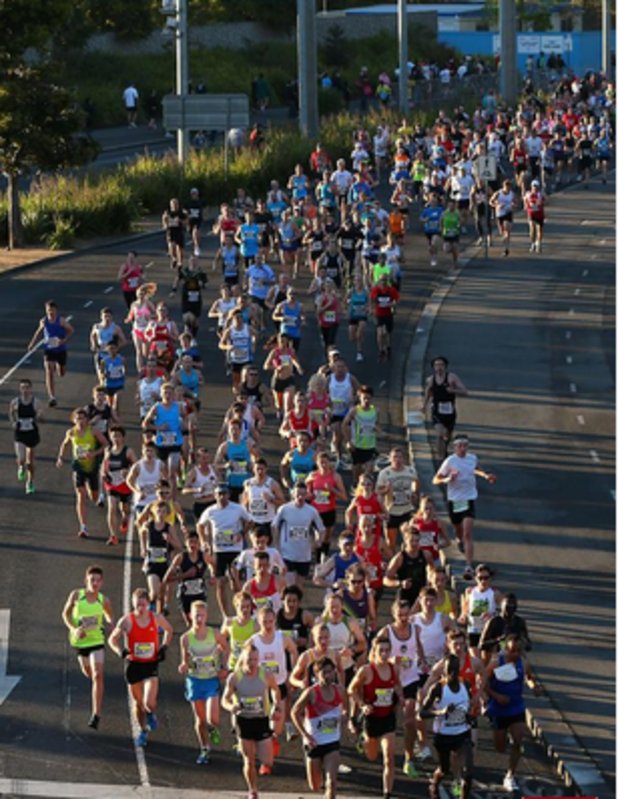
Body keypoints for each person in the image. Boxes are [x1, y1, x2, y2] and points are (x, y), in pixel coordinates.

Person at [108, 587, 174, 748]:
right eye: (137, 605)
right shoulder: (127, 621)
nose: (140, 608)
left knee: (149, 702)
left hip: (151, 664)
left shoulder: (156, 618)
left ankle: (151, 713)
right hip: (134, 666)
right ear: (133, 604)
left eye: (143, 605)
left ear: (148, 605)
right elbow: (112, 639)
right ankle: (143, 731)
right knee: (138, 704)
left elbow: (169, 630)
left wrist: (164, 647)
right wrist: (121, 651)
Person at [432, 434, 497, 579]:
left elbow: (476, 468)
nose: (462, 449)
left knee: (468, 533)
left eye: (465, 445)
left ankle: (468, 566)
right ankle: (459, 538)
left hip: (468, 499)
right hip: (454, 500)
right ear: (454, 447)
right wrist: (449, 479)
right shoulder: (450, 461)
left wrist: (486, 476)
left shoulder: (472, 458)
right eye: (459, 446)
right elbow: (435, 479)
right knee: (459, 529)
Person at [221, 643, 282, 797]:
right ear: (243, 659)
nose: (252, 664)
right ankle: (252, 790)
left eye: (255, 660)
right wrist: (232, 707)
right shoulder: (235, 678)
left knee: (268, 761)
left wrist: (276, 705)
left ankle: (271, 740)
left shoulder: (265, 675)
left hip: (261, 720)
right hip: (244, 721)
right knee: (248, 760)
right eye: (249, 660)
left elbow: (275, 690)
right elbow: (225, 700)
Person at [348, 636, 403, 799]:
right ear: (375, 651)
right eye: (381, 651)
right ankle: (362, 739)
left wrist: (400, 696)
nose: (385, 654)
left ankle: (387, 793)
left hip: (387, 719)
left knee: (389, 758)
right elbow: (351, 689)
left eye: (387, 650)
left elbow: (397, 684)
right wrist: (362, 705)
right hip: (371, 719)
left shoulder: (394, 669)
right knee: (372, 756)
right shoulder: (366, 670)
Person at [485, 635, 541, 792]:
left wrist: (534, 686)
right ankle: (506, 740)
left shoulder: (523, 663)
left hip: (516, 707)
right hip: (498, 709)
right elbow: (482, 682)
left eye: (517, 651)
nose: (514, 654)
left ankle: (510, 775)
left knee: (518, 741)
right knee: (500, 748)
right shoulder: (497, 662)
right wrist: (496, 696)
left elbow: (529, 678)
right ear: (506, 649)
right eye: (511, 651)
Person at [62, 565, 114, 729]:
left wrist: (111, 623)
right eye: (92, 580)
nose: (95, 583)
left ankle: (96, 714)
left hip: (96, 640)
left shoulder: (104, 600)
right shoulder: (77, 595)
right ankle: (97, 687)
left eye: (98, 580)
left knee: (98, 675)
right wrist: (74, 629)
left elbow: (109, 615)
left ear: (102, 582)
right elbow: (65, 614)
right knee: (89, 673)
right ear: (86, 581)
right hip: (80, 641)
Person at [378, 598, 427, 774]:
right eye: (400, 615)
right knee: (385, 719)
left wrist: (422, 660)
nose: (404, 618)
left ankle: (408, 758)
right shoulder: (386, 632)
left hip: (410, 679)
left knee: (409, 720)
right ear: (393, 615)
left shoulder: (415, 629)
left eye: (406, 615)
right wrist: (390, 660)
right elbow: (372, 657)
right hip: (390, 680)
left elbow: (418, 647)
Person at [178, 600, 229, 764]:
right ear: (190, 617)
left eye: (202, 615)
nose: (199, 619)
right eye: (196, 616)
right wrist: (184, 666)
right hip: (194, 681)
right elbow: (185, 659)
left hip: (211, 680)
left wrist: (224, 666)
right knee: (200, 720)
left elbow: (226, 647)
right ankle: (204, 748)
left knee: (212, 719)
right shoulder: (185, 638)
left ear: (207, 616)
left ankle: (213, 728)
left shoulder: (214, 634)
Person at [291, 656, 347, 799]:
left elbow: (347, 708)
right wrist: (305, 735)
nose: (328, 676)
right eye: (324, 673)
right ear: (317, 675)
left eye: (330, 672)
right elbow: (294, 712)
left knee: (331, 783)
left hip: (332, 742)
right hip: (314, 743)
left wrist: (344, 720)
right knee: (315, 786)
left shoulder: (340, 691)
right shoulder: (311, 693)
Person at [419, 654, 474, 799]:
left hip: (462, 734)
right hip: (443, 736)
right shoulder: (437, 688)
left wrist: (469, 717)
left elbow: (467, 707)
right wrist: (440, 712)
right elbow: (422, 713)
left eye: (456, 669)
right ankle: (434, 785)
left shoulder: (466, 685)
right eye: (450, 670)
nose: (453, 673)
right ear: (444, 671)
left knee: (468, 773)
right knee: (445, 769)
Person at [250, 606, 298, 761]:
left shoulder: (281, 637)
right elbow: (243, 661)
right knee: (263, 724)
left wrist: (292, 672)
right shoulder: (254, 641)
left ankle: (271, 745)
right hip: (261, 688)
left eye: (270, 621)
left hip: (279, 684)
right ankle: (265, 758)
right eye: (264, 621)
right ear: (259, 621)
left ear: (275, 621)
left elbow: (293, 650)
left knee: (277, 728)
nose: (268, 625)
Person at [197, 484, 251, 616]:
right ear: (215, 496)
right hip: (219, 550)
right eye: (219, 494)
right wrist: (204, 541)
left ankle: (242, 610)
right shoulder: (210, 511)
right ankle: (225, 615)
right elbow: (200, 525)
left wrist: (242, 534)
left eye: (224, 493)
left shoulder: (237, 508)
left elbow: (250, 521)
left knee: (235, 581)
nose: (221, 497)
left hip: (235, 549)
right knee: (220, 583)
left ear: (229, 494)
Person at [56, 407, 108, 538]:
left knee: (93, 496)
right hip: (78, 466)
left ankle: (99, 495)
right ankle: (83, 527)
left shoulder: (93, 431)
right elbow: (65, 444)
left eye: (83, 418)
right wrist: (60, 457)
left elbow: (106, 444)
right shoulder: (71, 433)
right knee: (81, 495)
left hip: (92, 466)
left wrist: (94, 453)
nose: (80, 421)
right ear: (73, 420)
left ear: (87, 419)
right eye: (77, 418)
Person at [272, 482, 325, 588]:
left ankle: (297, 604)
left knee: (299, 585)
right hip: (287, 553)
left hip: (304, 555)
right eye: (298, 494)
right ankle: (286, 604)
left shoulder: (311, 511)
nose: (300, 497)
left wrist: (317, 542)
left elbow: (322, 529)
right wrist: (276, 545)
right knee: (289, 584)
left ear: (306, 495)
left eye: (303, 494)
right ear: (293, 494)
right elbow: (274, 526)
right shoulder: (284, 509)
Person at [27, 300, 74, 406]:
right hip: (49, 349)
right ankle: (52, 397)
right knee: (49, 371)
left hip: (60, 349)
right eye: (48, 310)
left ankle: (60, 367)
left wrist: (64, 340)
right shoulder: (44, 321)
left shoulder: (61, 321)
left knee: (61, 373)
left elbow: (71, 330)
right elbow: (38, 332)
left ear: (56, 310)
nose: (50, 312)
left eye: (52, 310)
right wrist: (32, 343)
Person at [422, 355, 468, 460]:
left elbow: (465, 391)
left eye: (441, 365)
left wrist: (453, 390)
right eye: (436, 365)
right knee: (439, 434)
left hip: (450, 412)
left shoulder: (452, 378)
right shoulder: (430, 380)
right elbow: (428, 393)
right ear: (433, 367)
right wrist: (424, 405)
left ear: (445, 366)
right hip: (437, 411)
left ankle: (445, 450)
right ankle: (441, 459)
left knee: (447, 436)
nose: (439, 367)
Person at [376, 446, 420, 552]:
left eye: (400, 457)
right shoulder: (384, 473)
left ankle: (405, 561)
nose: (398, 460)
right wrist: (386, 490)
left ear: (404, 459)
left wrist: (414, 492)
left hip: (407, 510)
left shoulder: (410, 470)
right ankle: (393, 562)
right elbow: (377, 491)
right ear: (390, 459)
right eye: (395, 457)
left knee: (409, 540)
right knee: (391, 543)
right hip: (391, 511)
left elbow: (416, 482)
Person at [163, 531, 212, 625]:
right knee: (189, 623)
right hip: (185, 596)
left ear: (199, 544)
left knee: (200, 622)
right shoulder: (180, 558)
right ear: (186, 543)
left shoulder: (204, 556)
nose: (193, 545)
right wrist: (184, 575)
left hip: (200, 594)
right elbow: (166, 579)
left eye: (195, 542)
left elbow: (214, 565)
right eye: (190, 542)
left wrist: (213, 576)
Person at [101, 425, 136, 545]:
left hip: (124, 484)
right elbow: (104, 464)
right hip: (111, 483)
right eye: (113, 436)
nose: (116, 438)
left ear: (123, 438)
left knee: (124, 508)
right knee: (112, 507)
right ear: (110, 437)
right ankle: (113, 535)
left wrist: (128, 471)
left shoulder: (128, 451)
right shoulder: (108, 450)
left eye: (118, 436)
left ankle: (125, 518)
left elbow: (137, 467)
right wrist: (103, 474)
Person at [9, 378, 43, 495]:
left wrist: (38, 417)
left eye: (27, 387)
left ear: (31, 389)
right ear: (20, 389)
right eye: (23, 387)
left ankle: (30, 482)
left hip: (32, 433)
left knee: (31, 462)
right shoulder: (15, 402)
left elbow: (40, 414)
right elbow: (11, 413)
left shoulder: (36, 402)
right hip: (20, 433)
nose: (25, 390)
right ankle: (21, 467)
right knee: (22, 458)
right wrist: (13, 422)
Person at [479, 593, 531, 664]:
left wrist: (520, 642)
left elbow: (528, 645)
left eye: (513, 605)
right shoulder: (494, 621)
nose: (510, 608)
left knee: (525, 665)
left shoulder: (519, 622)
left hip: (514, 658)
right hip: (496, 657)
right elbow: (481, 645)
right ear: (502, 605)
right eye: (508, 605)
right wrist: (497, 640)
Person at [370, 274, 399, 362]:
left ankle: (388, 347)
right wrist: (372, 309)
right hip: (379, 314)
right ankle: (381, 350)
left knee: (387, 333)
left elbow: (396, 300)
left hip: (388, 314)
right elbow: (372, 300)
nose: (383, 282)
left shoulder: (391, 290)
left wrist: (392, 304)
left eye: (385, 280)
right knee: (380, 333)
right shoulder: (376, 290)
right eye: (381, 280)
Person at [490, 180, 515, 257]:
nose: (507, 188)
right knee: (502, 232)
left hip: (508, 213)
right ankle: (505, 244)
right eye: (506, 187)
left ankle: (506, 249)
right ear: (503, 186)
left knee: (507, 230)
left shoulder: (511, 193)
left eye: (509, 187)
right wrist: (497, 206)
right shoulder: (498, 193)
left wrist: (513, 205)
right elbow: (490, 202)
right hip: (500, 214)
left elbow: (516, 202)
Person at [523, 179, 546, 253]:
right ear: (531, 187)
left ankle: (538, 243)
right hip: (531, 213)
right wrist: (526, 206)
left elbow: (546, 200)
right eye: (534, 187)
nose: (535, 188)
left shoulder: (541, 194)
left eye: (536, 187)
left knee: (540, 230)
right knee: (532, 229)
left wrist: (541, 202)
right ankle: (533, 243)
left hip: (539, 214)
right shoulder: (528, 194)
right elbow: (525, 201)